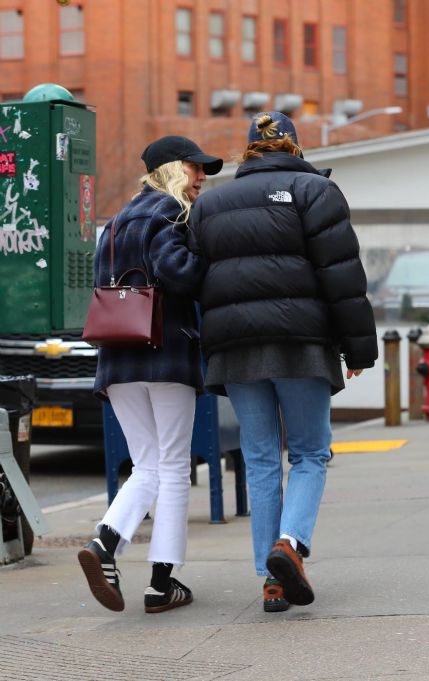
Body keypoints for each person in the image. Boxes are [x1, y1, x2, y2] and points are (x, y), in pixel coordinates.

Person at [189, 112, 377, 613]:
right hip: (301, 341)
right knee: (311, 453)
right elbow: (341, 275)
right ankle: (288, 546)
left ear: (248, 150)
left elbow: (198, 279)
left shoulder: (210, 203)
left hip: (235, 348)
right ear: (294, 146)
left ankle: (270, 583)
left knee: (261, 458)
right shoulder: (314, 191)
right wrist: (359, 347)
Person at [78, 136, 223, 614]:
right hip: (165, 354)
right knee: (173, 466)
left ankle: (106, 547)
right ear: (169, 170)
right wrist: (210, 257)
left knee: (147, 465)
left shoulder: (116, 222)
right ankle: (160, 582)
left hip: (117, 358)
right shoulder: (168, 213)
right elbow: (178, 272)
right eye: (194, 168)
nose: (202, 177)